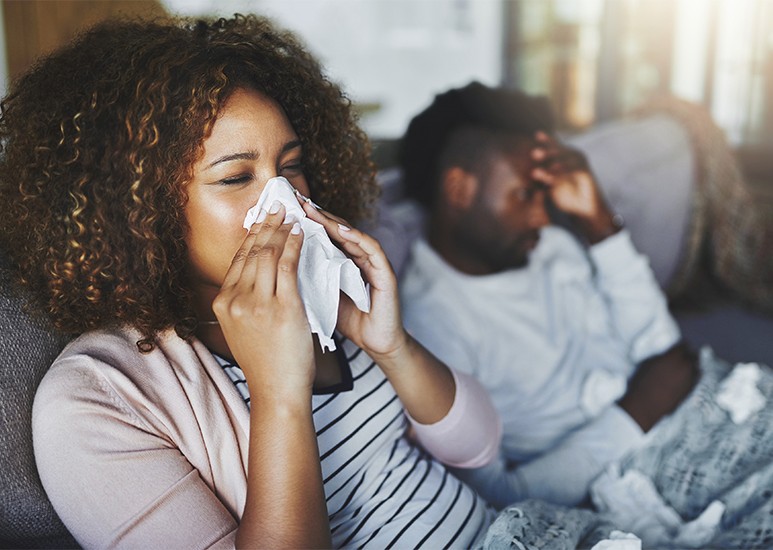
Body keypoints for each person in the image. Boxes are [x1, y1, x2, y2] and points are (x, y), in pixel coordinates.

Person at [0, 16, 517, 548]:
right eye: (235, 177)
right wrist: (277, 391)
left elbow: (480, 450)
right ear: (138, 210)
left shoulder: (325, 300)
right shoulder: (97, 397)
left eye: (290, 167)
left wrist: (392, 346)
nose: (284, 202)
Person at [398, 82, 773, 547]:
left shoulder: (551, 247)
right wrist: (636, 411)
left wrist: (598, 223)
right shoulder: (431, 329)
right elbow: (495, 496)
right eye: (524, 195)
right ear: (459, 188)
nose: (542, 215)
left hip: (710, 404)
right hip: (638, 476)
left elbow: (665, 351)